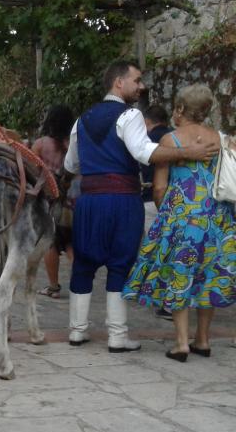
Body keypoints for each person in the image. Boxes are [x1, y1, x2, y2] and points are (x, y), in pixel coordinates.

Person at [64, 60, 219, 352]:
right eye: (137, 80)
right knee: (120, 263)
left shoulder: (82, 119)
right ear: (118, 82)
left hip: (89, 201)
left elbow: (70, 164)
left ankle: (77, 331)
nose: (142, 86)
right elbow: (143, 152)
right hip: (122, 199)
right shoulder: (130, 114)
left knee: (83, 263)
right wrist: (190, 151)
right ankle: (117, 336)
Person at [123, 84, 236, 362]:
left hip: (182, 217)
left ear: (181, 109)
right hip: (218, 217)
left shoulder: (171, 140)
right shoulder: (221, 139)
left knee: (180, 275)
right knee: (209, 276)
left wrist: (167, 216)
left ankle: (182, 343)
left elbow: (160, 187)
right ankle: (203, 340)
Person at [32, 105, 76, 299]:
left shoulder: (41, 144)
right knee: (70, 243)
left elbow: (32, 172)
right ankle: (80, 284)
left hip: (48, 202)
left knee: (50, 243)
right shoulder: (73, 145)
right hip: (72, 202)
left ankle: (53, 287)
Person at [142, 104, 174, 320]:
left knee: (156, 252)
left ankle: (164, 298)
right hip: (179, 201)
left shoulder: (147, 140)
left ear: (147, 121)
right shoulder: (176, 138)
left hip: (152, 198)